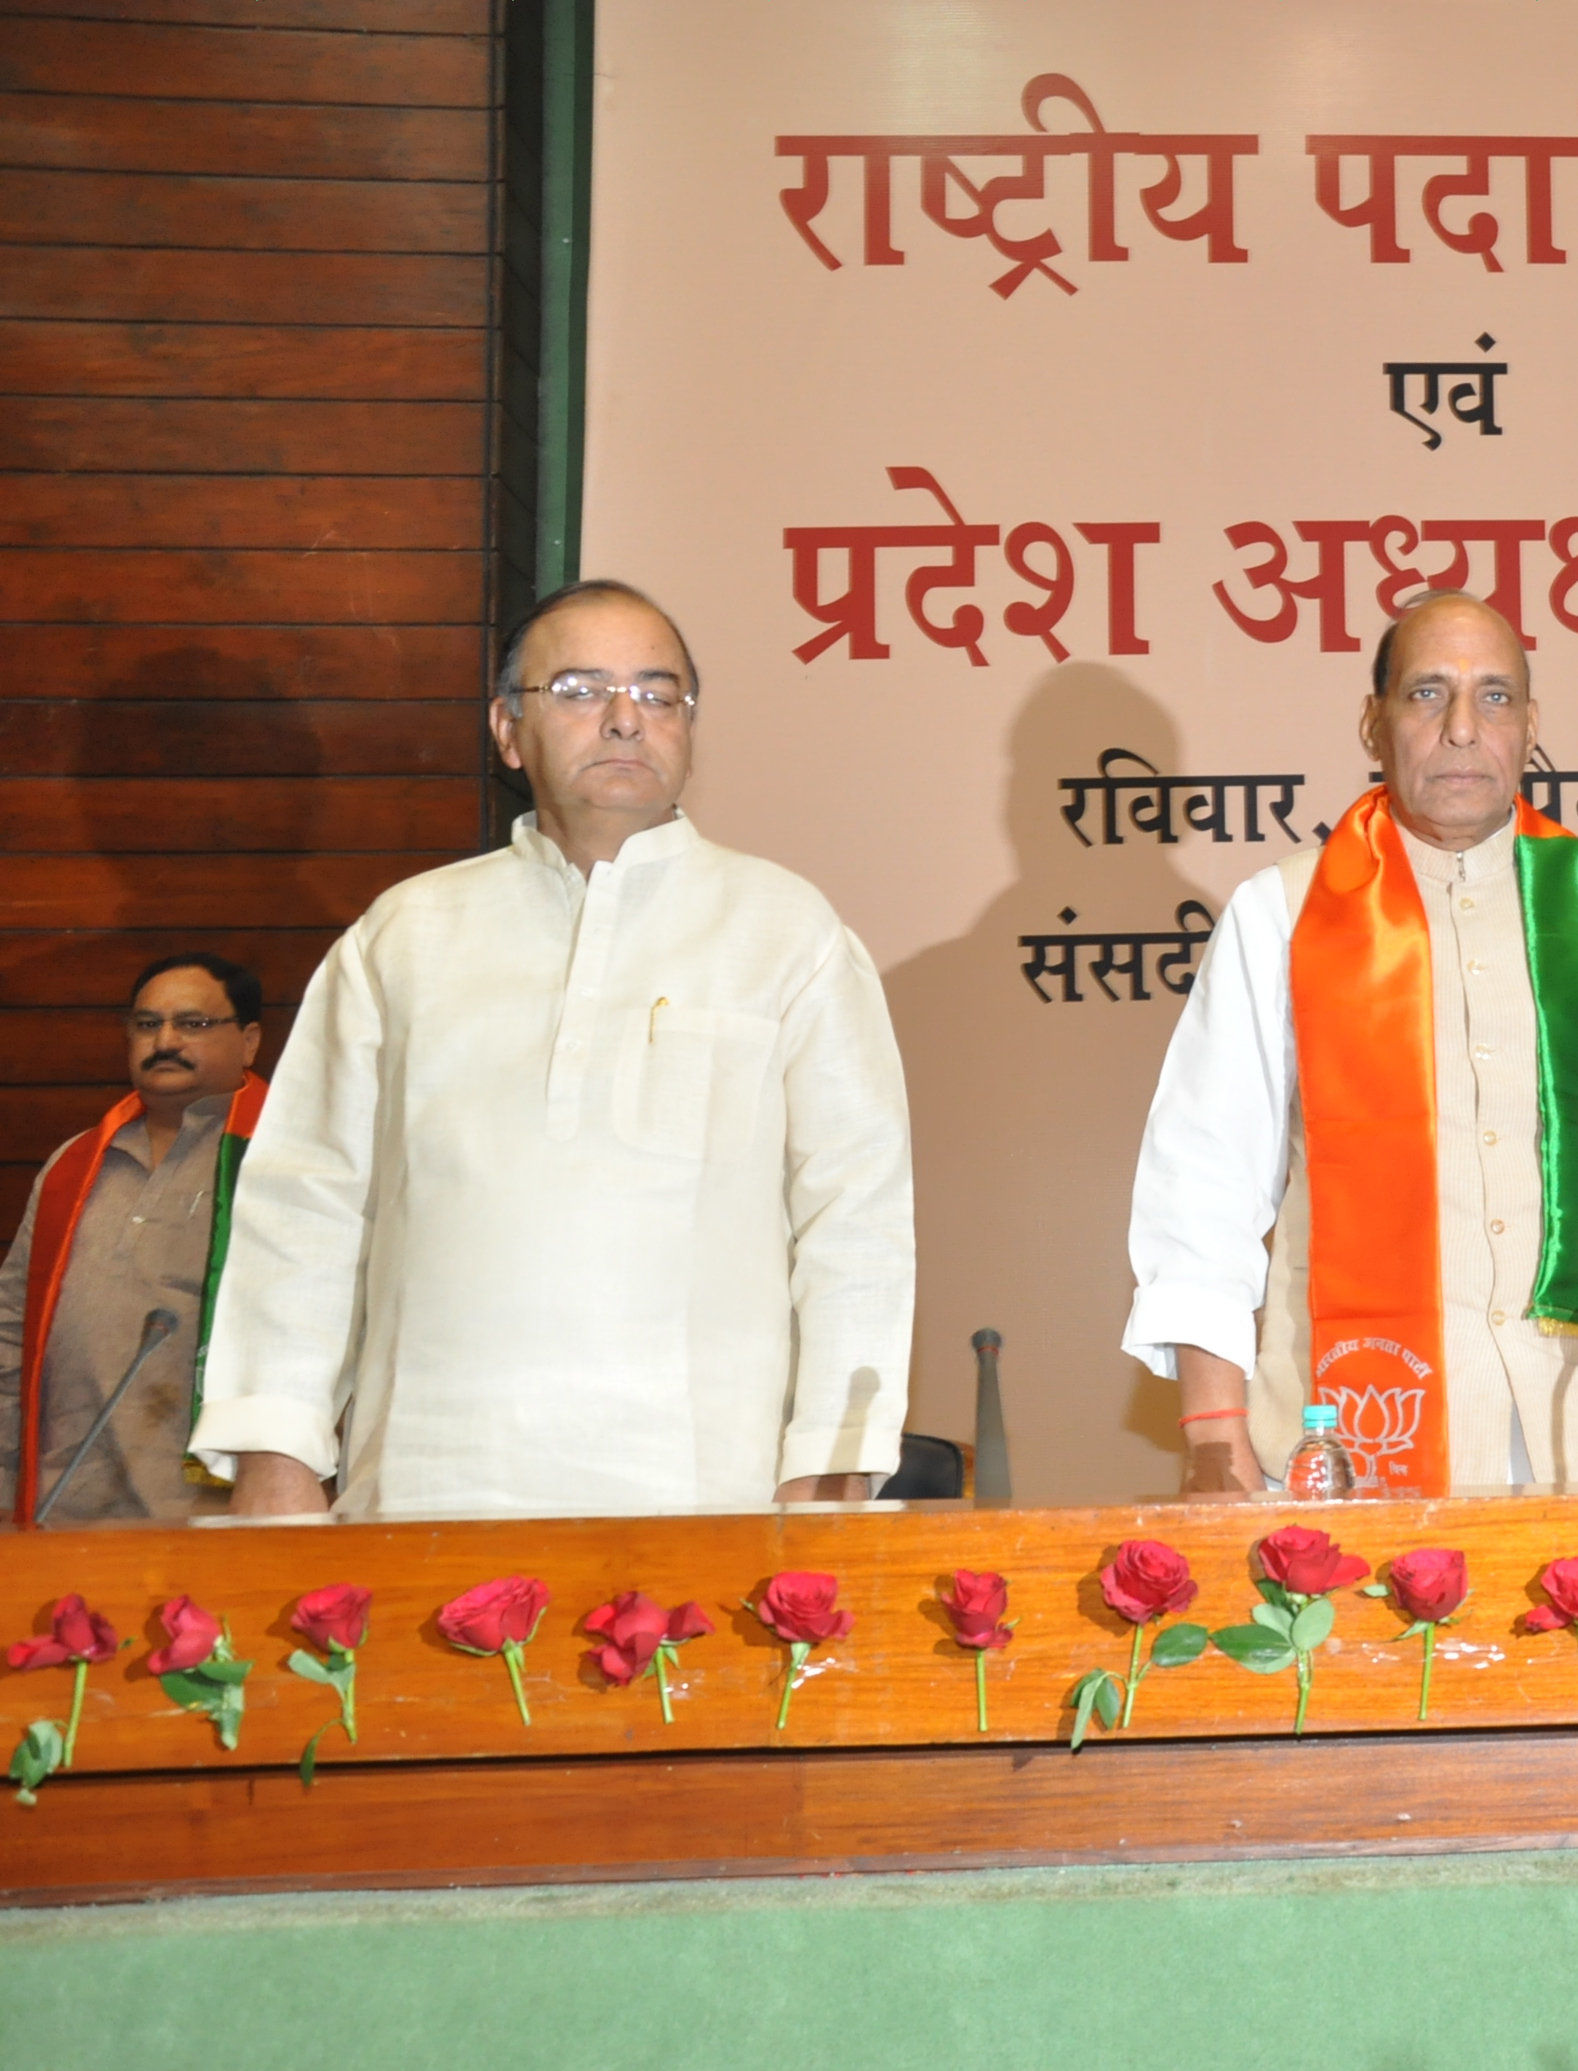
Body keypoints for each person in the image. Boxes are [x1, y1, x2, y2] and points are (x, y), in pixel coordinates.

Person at [191, 580, 916, 1517]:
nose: (626, 720)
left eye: (659, 695)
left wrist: (836, 1460)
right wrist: (275, 1451)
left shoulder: (784, 928)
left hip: (706, 1493)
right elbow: (307, 1206)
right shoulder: (405, 933)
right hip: (425, 1484)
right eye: (580, 690)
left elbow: (854, 1214)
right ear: (506, 729)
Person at [1124, 590, 1578, 1494]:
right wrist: (1214, 1441)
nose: (1459, 728)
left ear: (1529, 725)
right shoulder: (1280, 917)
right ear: (1373, 724)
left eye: (1494, 697)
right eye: (1426, 693)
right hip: (1353, 1450)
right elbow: (1202, 1193)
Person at [2, 955, 269, 1522]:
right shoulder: (74, 1166)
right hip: (62, 1505)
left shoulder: (281, 1163)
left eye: (193, 1024)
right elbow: (10, 1331)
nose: (165, 1040)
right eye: (147, 1024)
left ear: (248, 1042)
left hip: (213, 1515)